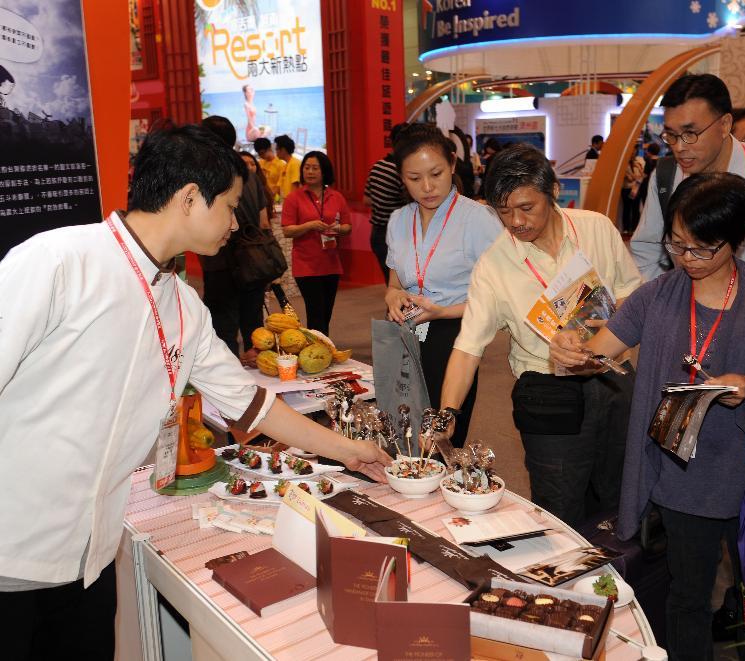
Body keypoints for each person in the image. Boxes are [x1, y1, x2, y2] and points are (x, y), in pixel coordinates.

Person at [0, 124, 390, 659]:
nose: (236, 222)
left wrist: (352, 452)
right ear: (188, 198)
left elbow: (251, 404)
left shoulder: (183, 305)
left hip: (88, 561)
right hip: (11, 554)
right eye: (230, 206)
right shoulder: (59, 261)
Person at [551, 172, 745, 660]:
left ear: (737, 240)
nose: (686, 259)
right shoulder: (657, 295)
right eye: (677, 245)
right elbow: (599, 353)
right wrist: (570, 352)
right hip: (684, 480)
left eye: (701, 248)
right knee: (687, 598)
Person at [437, 143, 642, 524]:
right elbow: (468, 348)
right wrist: (449, 409)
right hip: (548, 392)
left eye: (526, 207)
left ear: (553, 193)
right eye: (503, 211)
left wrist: (610, 328)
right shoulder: (494, 265)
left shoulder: (596, 228)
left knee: (620, 494)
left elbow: (633, 291)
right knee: (560, 505)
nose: (515, 222)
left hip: (614, 379)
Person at [629, 74, 745, 283]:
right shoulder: (666, 176)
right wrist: (668, 302)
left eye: (691, 133)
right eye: (671, 134)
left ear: (725, 124)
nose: (679, 147)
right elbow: (647, 249)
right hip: (692, 313)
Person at [385, 123, 501, 448]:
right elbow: (394, 282)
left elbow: (500, 297)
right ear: (402, 178)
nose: (427, 187)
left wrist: (442, 311)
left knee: (441, 441)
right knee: (401, 436)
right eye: (414, 178)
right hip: (405, 333)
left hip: (455, 338)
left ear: (452, 164)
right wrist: (393, 295)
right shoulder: (399, 221)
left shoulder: (478, 219)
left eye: (435, 173)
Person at [198, 116, 271, 357]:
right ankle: (264, 387)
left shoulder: (209, 176)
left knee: (223, 332)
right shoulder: (249, 173)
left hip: (221, 264)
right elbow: (263, 222)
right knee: (255, 332)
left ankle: (232, 390)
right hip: (255, 263)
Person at [280, 150, 352, 335]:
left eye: (315, 168)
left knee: (326, 313)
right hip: (306, 265)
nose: (310, 172)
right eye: (307, 167)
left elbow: (347, 226)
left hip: (331, 263)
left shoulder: (336, 197)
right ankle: (317, 354)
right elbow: (287, 230)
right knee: (316, 313)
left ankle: (322, 348)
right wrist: (310, 225)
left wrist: (337, 229)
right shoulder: (294, 198)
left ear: (324, 171)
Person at [364, 122, 408, 284]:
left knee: (392, 285)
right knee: (403, 288)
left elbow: (366, 199)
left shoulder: (377, 167)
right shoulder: (402, 172)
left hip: (378, 234)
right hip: (399, 235)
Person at [240, 150, 275, 224]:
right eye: (244, 164)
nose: (250, 168)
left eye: (253, 164)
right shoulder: (235, 191)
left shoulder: (262, 187)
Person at [253, 137, 286, 202]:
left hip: (275, 198)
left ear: (269, 148)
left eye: (262, 153)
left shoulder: (281, 165)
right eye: (259, 154)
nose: (260, 156)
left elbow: (279, 186)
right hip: (262, 196)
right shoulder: (260, 163)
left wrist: (270, 196)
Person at [621, 150, 645, 234]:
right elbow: (627, 178)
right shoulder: (622, 164)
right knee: (626, 209)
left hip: (636, 189)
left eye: (633, 153)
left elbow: (643, 175)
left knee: (635, 209)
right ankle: (626, 228)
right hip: (626, 189)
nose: (632, 155)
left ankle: (635, 228)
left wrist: (637, 175)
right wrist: (631, 176)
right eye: (630, 153)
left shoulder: (638, 163)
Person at [274, 134, 301, 201]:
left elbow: (295, 187)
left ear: (283, 150)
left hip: (292, 203)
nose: (276, 152)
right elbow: (278, 187)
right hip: (284, 201)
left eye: (277, 149)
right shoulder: (285, 165)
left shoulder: (295, 164)